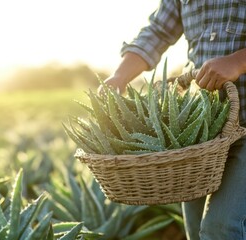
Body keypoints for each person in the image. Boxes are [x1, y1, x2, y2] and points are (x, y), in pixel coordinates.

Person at [99, 1, 246, 239]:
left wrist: (239, 61)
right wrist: (120, 76)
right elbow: (158, 31)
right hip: (201, 132)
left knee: (222, 228)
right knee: (197, 230)